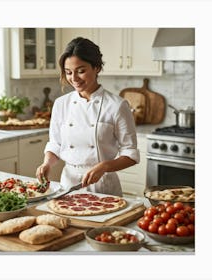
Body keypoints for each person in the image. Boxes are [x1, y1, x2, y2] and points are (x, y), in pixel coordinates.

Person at [36, 37, 140, 196]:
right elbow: (56, 144)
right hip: (68, 186)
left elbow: (130, 153)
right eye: (69, 72)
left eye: (81, 71)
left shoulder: (117, 105)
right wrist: (47, 164)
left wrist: (105, 166)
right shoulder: (61, 104)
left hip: (103, 187)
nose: (74, 78)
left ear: (97, 67)